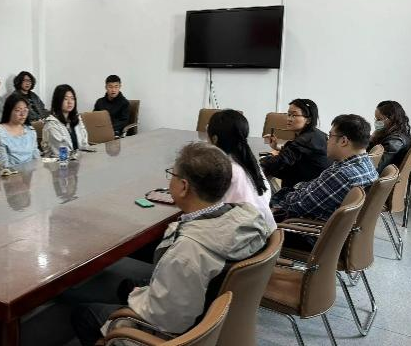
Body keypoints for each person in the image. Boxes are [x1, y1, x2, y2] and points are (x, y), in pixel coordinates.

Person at [71, 143, 272, 345]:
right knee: (128, 286)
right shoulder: (246, 215)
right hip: (212, 304)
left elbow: (170, 322)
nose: (169, 180)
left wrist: (134, 310)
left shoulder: (186, 252)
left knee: (84, 313)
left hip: (177, 332)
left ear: (184, 187)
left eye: (172, 175)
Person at [272, 114, 378, 223]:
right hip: (336, 226)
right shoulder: (368, 163)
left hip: (304, 226)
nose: (327, 141)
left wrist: (278, 198)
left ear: (343, 141)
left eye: (330, 136)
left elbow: (298, 205)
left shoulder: (341, 175)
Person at [207, 110, 276, 229]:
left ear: (214, 139)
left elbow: (207, 207)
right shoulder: (249, 162)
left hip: (242, 233)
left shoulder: (225, 170)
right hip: (262, 229)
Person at [260, 99, 329, 193]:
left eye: (294, 115)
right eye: (288, 114)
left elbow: (281, 161)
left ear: (308, 120)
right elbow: (297, 153)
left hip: (307, 190)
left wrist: (258, 162)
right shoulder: (314, 133)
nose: (289, 119)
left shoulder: (306, 139)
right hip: (315, 182)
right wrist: (277, 147)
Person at [0, 93, 40, 168]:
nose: (22, 114)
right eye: (18, 110)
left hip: (32, 173)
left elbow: (36, 158)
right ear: (9, 111)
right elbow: (3, 165)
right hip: (11, 174)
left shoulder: (30, 130)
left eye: (25, 110)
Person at [42, 84, 90, 157]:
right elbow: (61, 152)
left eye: (72, 98)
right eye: (65, 99)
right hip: (59, 162)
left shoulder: (77, 119)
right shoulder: (51, 124)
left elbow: (84, 144)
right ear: (58, 101)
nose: (70, 102)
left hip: (78, 160)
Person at [368, 100, 411, 174]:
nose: (376, 122)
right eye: (375, 119)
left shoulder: (395, 141)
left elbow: (376, 167)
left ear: (391, 119)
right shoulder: (396, 133)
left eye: (379, 119)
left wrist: (371, 139)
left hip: (380, 177)